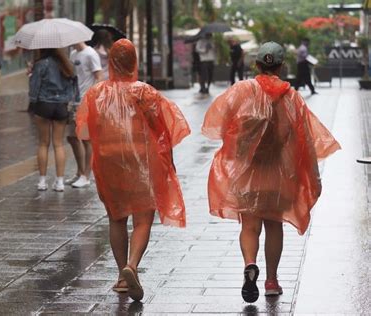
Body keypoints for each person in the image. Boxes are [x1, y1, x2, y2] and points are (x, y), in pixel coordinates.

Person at [201, 42, 340, 303]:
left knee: (250, 226)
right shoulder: (292, 97)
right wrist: (314, 178)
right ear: (282, 65)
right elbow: (306, 141)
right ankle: (272, 280)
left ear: (256, 65)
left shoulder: (242, 90)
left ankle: (250, 264)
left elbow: (221, 123)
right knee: (274, 226)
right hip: (278, 175)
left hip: (247, 172)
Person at [76, 39, 191, 301]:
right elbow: (161, 130)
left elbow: (85, 130)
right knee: (142, 220)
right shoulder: (144, 92)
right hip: (142, 161)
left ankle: (120, 276)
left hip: (109, 161)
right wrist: (168, 162)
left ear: (111, 62)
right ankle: (133, 265)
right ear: (133, 62)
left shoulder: (95, 93)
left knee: (116, 217)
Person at [29, 48, 77, 192]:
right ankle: (60, 182)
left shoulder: (41, 64)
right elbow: (72, 87)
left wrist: (33, 101)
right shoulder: (66, 64)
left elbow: (34, 87)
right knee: (58, 144)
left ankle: (42, 182)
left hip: (44, 104)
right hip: (61, 106)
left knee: (43, 143)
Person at [67, 41, 103, 188]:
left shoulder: (90, 54)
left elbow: (99, 76)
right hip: (73, 101)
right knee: (72, 137)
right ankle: (79, 172)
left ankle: (86, 176)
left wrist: (91, 97)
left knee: (86, 139)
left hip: (85, 102)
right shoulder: (73, 54)